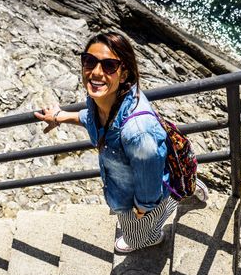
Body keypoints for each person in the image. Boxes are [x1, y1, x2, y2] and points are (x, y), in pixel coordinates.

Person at [35, 31, 207, 253]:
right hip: (135, 182)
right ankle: (184, 185)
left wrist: (142, 209)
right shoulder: (105, 101)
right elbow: (95, 119)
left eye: (109, 66)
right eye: (89, 61)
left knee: (139, 233)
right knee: (156, 197)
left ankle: (151, 234)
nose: (96, 72)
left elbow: (149, 188)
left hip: (136, 195)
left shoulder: (137, 132)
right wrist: (60, 116)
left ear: (124, 74)